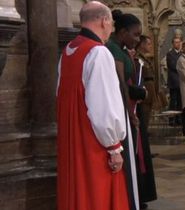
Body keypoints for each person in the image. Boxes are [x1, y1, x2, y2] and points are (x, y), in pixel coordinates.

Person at [57, 1, 131, 210]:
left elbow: (61, 98)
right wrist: (114, 147)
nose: (111, 29)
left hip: (73, 140)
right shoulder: (98, 53)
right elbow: (103, 105)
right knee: (97, 197)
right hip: (94, 146)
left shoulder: (68, 51)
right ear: (104, 20)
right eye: (112, 24)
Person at [106, 10, 157, 209]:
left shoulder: (120, 48)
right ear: (123, 31)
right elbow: (120, 84)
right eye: (135, 35)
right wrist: (130, 113)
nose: (137, 39)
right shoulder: (113, 49)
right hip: (122, 111)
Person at [136, 35, 160, 131]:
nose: (151, 46)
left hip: (149, 92)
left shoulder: (145, 58)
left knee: (146, 121)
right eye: (148, 44)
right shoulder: (137, 58)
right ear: (142, 44)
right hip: (144, 93)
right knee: (143, 121)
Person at [166, 37, 183, 125]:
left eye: (179, 42)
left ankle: (179, 119)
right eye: (176, 42)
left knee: (180, 101)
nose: (178, 44)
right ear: (173, 44)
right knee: (173, 101)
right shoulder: (170, 54)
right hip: (173, 81)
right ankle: (172, 120)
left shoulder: (182, 54)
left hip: (181, 81)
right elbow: (173, 65)